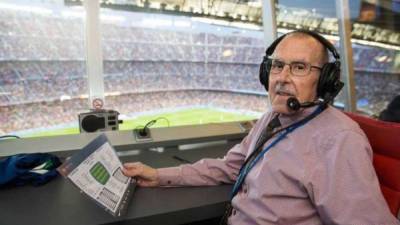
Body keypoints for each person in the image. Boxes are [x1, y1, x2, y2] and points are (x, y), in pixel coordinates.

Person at [122, 30, 399, 225]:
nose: (282, 77)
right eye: (277, 66)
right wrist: (160, 175)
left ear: (325, 80)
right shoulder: (272, 117)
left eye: (299, 67)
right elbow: (231, 166)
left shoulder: (339, 140)